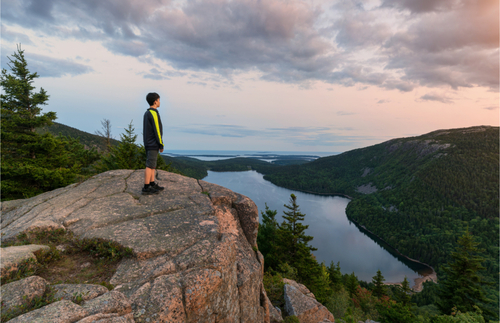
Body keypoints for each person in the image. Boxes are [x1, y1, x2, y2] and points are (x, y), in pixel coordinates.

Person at [142, 92, 165, 195]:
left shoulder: (147, 113)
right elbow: (157, 130)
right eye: (159, 100)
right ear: (155, 101)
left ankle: (152, 183)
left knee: (152, 165)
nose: (160, 102)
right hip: (153, 143)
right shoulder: (153, 113)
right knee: (150, 165)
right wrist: (161, 144)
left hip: (148, 142)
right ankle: (146, 187)